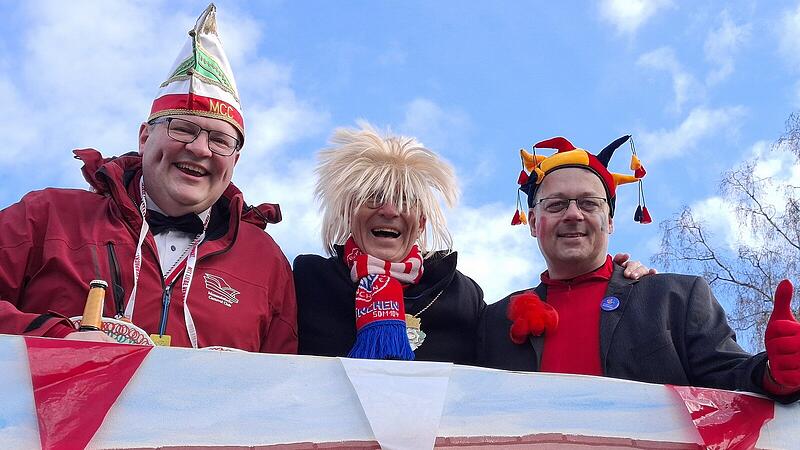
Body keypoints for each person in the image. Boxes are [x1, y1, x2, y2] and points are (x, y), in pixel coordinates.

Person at [0, 4, 297, 353]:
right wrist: (56, 340)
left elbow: (287, 378)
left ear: (235, 160)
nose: (200, 149)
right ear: (144, 137)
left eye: (220, 140)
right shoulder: (48, 215)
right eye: (182, 128)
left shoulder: (267, 261)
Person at [477, 135, 800, 403]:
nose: (573, 214)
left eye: (589, 203)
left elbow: (730, 380)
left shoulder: (674, 297)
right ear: (534, 223)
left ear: (609, 221)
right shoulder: (493, 321)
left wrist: (776, 373)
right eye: (556, 204)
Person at [294, 123, 651, 365]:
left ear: (421, 221)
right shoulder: (309, 280)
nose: (389, 211)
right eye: (374, 198)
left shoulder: (459, 294)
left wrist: (624, 284)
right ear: (348, 212)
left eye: (405, 201)